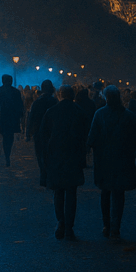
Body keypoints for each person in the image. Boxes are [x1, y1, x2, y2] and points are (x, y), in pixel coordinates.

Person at [87, 86, 136, 240]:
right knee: (118, 194)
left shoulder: (99, 114)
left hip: (104, 159)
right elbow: (135, 138)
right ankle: (116, 226)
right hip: (122, 159)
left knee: (105, 192)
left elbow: (92, 137)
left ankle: (106, 224)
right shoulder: (128, 115)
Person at [39, 85, 87, 240]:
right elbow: (84, 136)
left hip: (56, 156)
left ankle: (60, 222)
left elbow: (43, 137)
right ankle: (69, 227)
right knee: (71, 193)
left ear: (60, 95)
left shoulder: (51, 112)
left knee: (58, 191)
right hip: (73, 156)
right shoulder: (79, 111)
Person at [26, 80, 58, 186]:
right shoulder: (54, 101)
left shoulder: (37, 102)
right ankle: (49, 175)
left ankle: (43, 174)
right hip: (51, 131)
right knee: (51, 153)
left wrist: (28, 133)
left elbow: (31, 117)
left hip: (39, 131)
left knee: (40, 154)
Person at [0, 74, 23, 167]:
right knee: (9, 138)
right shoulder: (16, 92)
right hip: (12, 118)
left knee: (2, 135)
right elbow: (20, 106)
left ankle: (3, 153)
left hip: (1, 118)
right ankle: (7, 154)